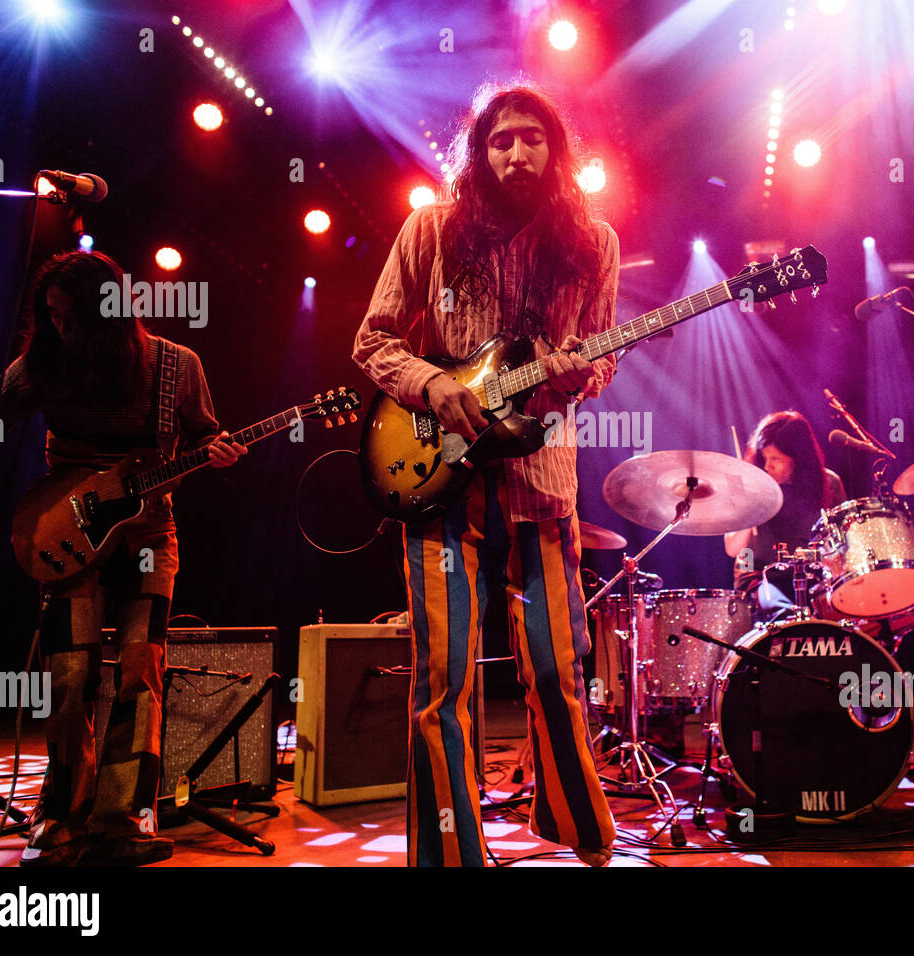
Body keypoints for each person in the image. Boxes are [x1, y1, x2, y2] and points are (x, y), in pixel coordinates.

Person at [352, 84, 620, 866]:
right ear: (480, 151)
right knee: (443, 675)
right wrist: (433, 386)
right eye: (501, 140)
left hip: (543, 476)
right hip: (440, 477)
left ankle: (575, 826)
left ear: (555, 149)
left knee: (556, 663)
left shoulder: (591, 242)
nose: (516, 152)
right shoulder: (430, 230)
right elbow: (372, 342)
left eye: (532, 137)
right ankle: (449, 855)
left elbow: (598, 354)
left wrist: (578, 378)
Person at [0, 250, 247, 865]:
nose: (58, 328)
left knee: (140, 674)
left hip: (148, 537)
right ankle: (63, 810)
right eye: (50, 316)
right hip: (68, 536)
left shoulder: (175, 366)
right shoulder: (44, 366)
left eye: (70, 316)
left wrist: (215, 452)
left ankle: (126, 815)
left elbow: (202, 435)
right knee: (69, 677)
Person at [724, 410, 846, 619]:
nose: (767, 465)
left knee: (841, 613)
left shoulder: (828, 484)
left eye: (776, 459)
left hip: (813, 578)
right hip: (760, 577)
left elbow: (843, 544)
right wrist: (751, 509)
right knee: (784, 616)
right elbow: (733, 549)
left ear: (798, 459)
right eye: (764, 457)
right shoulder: (752, 486)